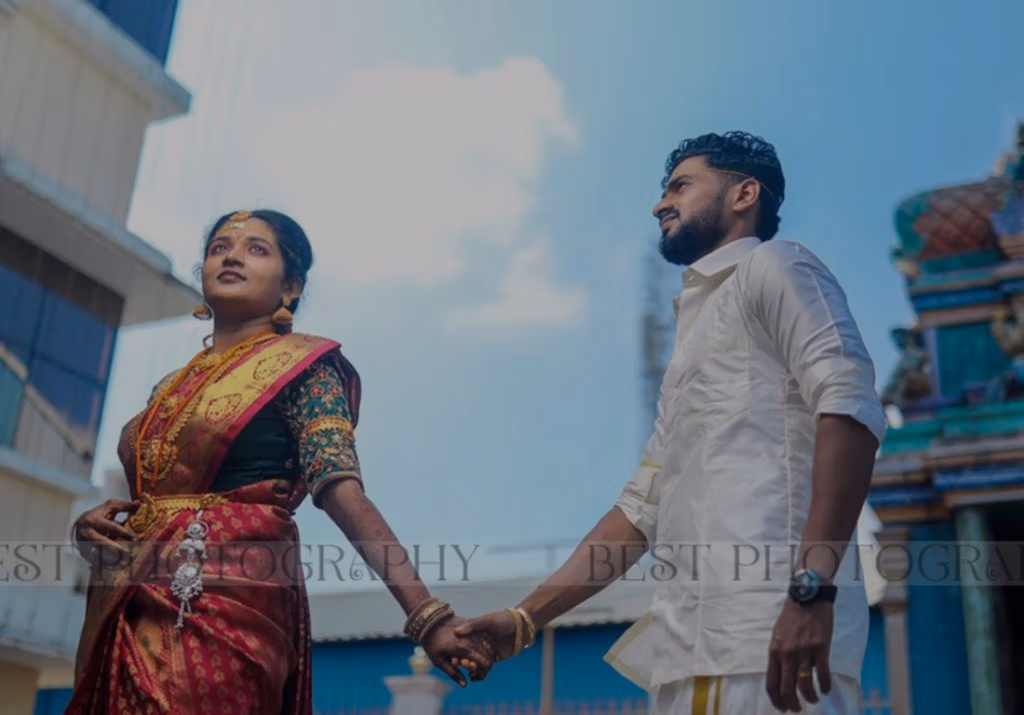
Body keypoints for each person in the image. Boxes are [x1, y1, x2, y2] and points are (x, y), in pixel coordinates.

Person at [455, 132, 886, 714]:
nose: (660, 203)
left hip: (774, 641)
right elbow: (640, 511)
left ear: (744, 194)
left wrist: (812, 590)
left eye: (681, 186)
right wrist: (525, 618)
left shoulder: (778, 265)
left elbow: (849, 405)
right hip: (683, 658)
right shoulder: (691, 340)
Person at [66, 209, 492, 714]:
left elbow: (340, 489)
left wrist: (426, 615)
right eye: (220, 248)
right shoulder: (169, 387)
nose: (232, 257)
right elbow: (149, 499)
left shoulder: (306, 369)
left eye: (256, 249)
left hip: (221, 604)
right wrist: (92, 528)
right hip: (129, 602)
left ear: (291, 287)